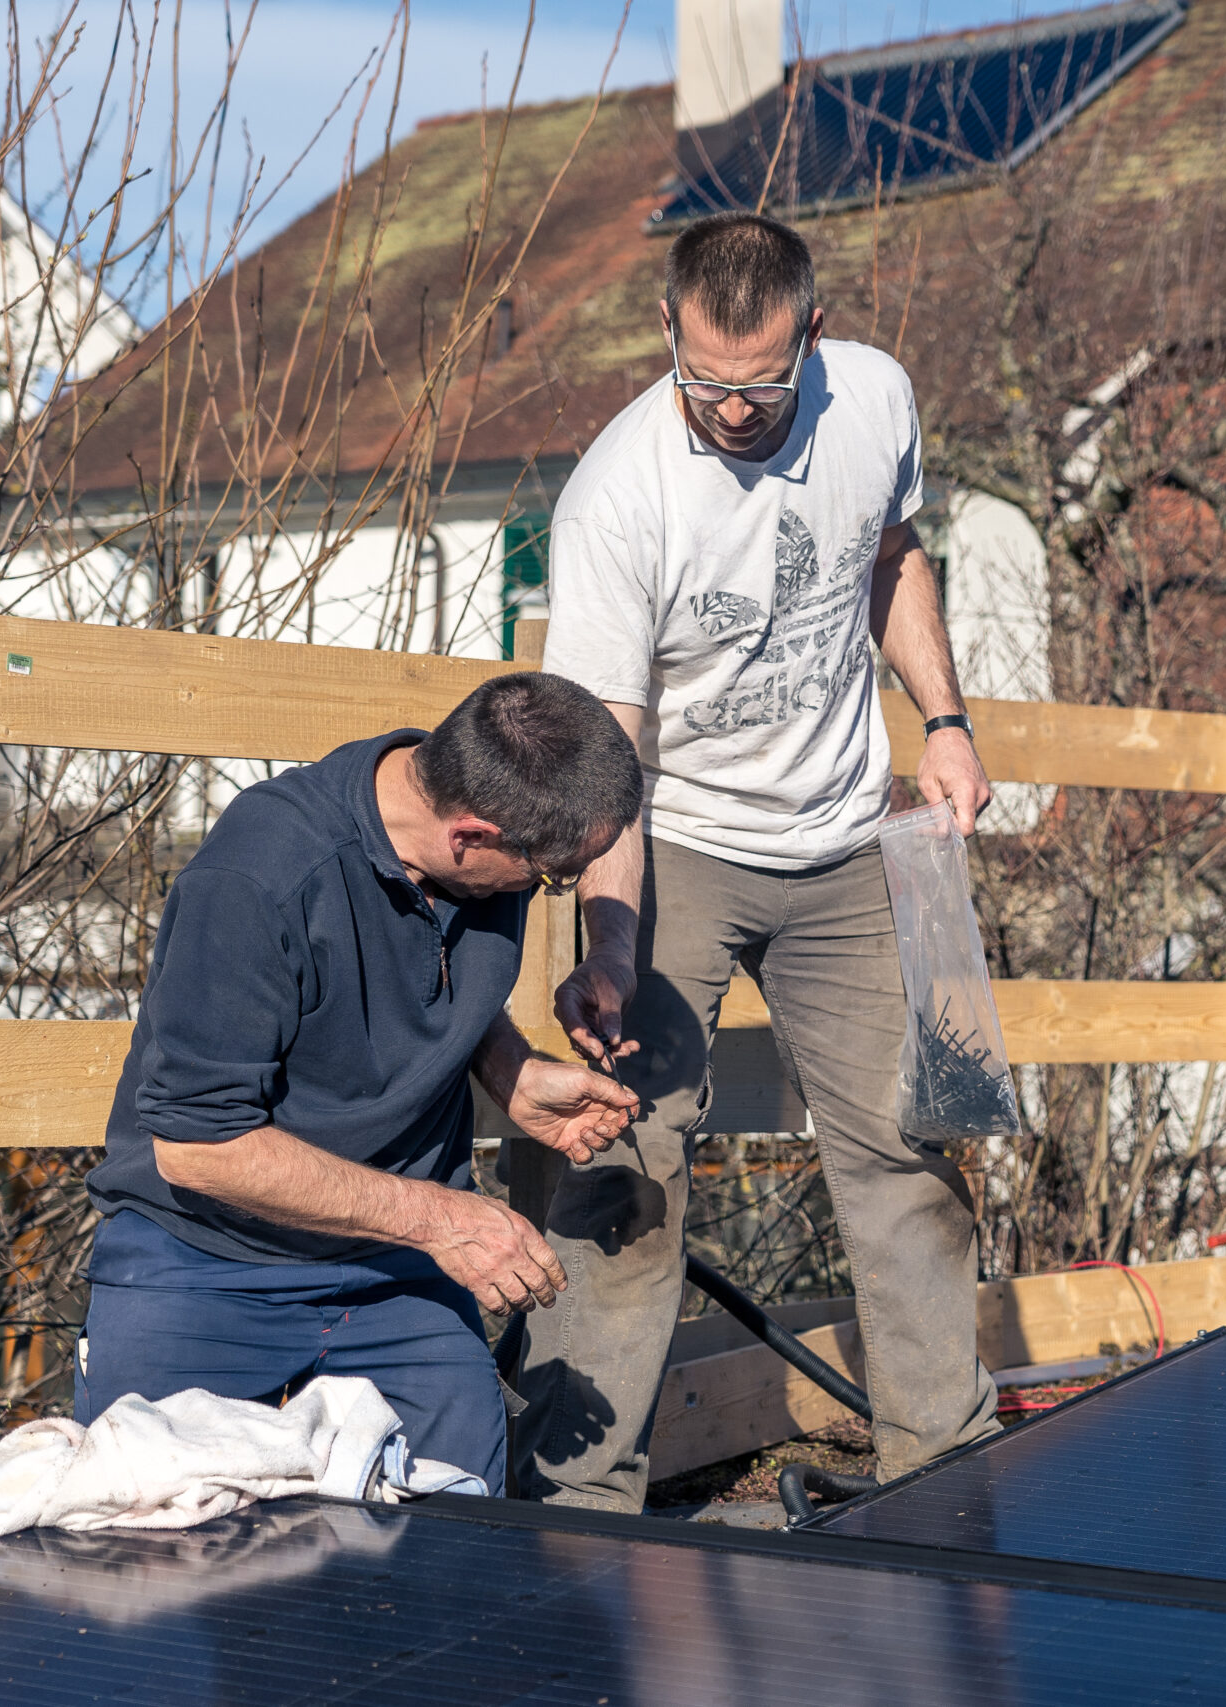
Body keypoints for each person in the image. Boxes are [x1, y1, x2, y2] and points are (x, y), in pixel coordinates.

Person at [506, 209, 1002, 1509]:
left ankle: (939, 1463)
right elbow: (605, 748)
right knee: (621, 1152)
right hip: (674, 841)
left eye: (761, 384)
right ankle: (582, 1503)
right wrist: (609, 943)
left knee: (909, 1146)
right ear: (667, 333)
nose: (729, 408)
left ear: (815, 339)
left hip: (846, 839)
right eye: (703, 381)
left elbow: (892, 554)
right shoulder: (619, 496)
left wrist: (943, 723)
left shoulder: (875, 395)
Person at [75, 672, 648, 1493]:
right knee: (145, 1548)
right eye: (551, 877)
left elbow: (413, 969)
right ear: (472, 836)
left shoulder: (474, 804)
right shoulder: (261, 876)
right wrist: (442, 1219)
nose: (542, 891)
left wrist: (509, 1071)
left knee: (448, 1536)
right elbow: (199, 1146)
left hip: (394, 1273)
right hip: (205, 1256)